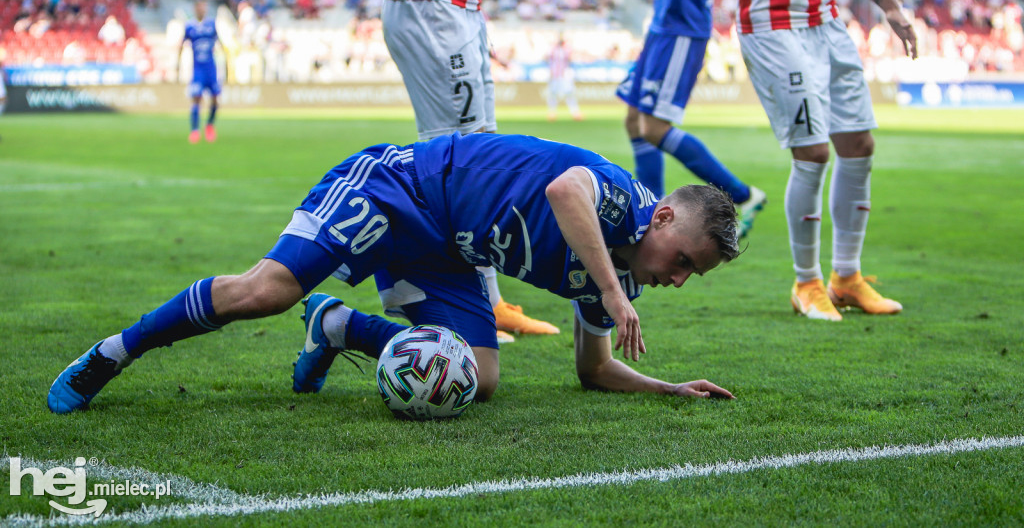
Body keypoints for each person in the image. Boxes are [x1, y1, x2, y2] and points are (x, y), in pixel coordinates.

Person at [47, 133, 739, 414]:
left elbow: (593, 370)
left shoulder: (621, 276)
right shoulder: (621, 198)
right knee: (265, 292)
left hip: (444, 249)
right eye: (683, 263)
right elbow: (565, 192)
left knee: (481, 378)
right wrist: (616, 294)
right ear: (664, 223)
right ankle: (113, 353)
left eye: (691, 278)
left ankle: (340, 326)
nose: (676, 280)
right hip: (396, 189)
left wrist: (668, 386)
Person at [628, 0, 918, 321]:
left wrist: (888, 4)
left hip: (827, 22)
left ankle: (847, 278)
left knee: (859, 144)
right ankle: (807, 282)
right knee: (813, 151)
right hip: (772, 24)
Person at [380, 0, 605, 337]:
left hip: (460, 4)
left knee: (476, 151)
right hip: (427, 0)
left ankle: (488, 299)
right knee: (452, 157)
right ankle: (427, 292)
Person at [618, 0, 765, 241]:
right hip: (667, 23)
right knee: (635, 121)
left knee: (653, 126)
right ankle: (647, 209)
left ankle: (742, 195)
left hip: (682, 26)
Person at [177, 1, 222, 144]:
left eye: (204, 7)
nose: (202, 9)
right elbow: (182, 44)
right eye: (200, 7)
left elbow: (218, 43)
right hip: (198, 69)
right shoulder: (189, 27)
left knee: (215, 99)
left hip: (211, 68)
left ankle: (209, 125)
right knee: (196, 98)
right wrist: (177, 64)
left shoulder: (212, 25)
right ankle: (195, 130)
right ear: (195, 9)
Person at [546, 34, 583, 121]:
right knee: (553, 94)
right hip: (555, 75)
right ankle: (552, 112)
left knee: (569, 93)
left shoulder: (565, 50)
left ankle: (575, 112)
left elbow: (571, 56)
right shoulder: (553, 50)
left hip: (564, 75)